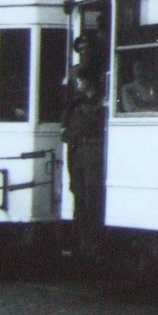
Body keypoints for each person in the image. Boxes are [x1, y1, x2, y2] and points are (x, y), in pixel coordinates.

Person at [62, 69, 106, 255]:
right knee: (80, 197)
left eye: (81, 81)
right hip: (80, 152)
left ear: (89, 82)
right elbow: (68, 133)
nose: (78, 85)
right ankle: (81, 243)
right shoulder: (80, 104)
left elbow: (77, 127)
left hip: (92, 152)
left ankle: (91, 243)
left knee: (91, 198)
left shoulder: (99, 102)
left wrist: (75, 127)